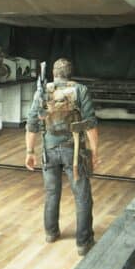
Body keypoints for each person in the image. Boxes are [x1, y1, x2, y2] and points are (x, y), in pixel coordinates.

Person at [25, 58, 99, 256]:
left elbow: (31, 124)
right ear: (70, 73)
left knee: (51, 193)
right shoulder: (80, 90)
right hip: (74, 152)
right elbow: (90, 124)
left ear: (54, 73)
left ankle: (51, 233)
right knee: (82, 196)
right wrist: (94, 152)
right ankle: (83, 243)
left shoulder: (42, 91)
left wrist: (30, 152)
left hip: (48, 151)